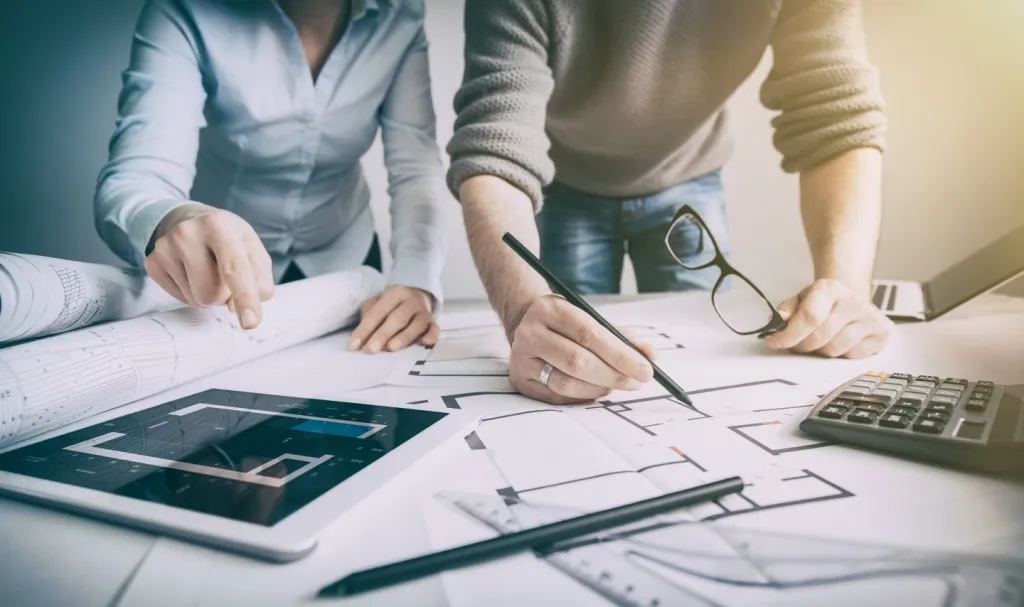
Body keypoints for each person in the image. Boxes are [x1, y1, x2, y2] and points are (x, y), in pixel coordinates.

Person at [447, 0, 894, 405]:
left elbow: (836, 114)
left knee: (700, 355)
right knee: (566, 361)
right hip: (566, 187)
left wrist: (848, 290)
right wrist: (521, 309)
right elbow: (494, 146)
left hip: (689, 177)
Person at [95, 0, 447, 354]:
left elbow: (415, 169)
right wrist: (172, 220)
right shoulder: (183, 10)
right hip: (220, 274)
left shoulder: (400, 15)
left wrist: (416, 280)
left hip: (348, 266)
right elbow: (136, 180)